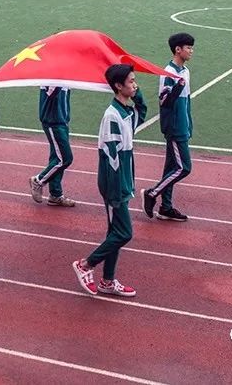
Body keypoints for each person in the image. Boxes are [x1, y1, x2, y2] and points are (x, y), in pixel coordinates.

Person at [72, 63, 146, 297]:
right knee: (123, 233)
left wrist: (138, 92)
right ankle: (85, 265)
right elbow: (111, 156)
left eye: (135, 81)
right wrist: (118, 190)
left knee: (115, 233)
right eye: (131, 81)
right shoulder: (112, 116)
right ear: (117, 86)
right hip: (114, 184)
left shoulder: (127, 113)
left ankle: (107, 281)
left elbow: (141, 111)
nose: (135, 85)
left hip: (123, 182)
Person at [144, 33, 194, 222]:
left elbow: (186, 101)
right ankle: (152, 193)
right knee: (184, 168)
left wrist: (189, 123)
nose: (191, 51)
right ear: (177, 50)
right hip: (174, 126)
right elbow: (164, 101)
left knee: (171, 167)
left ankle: (166, 207)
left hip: (182, 125)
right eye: (188, 48)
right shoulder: (168, 74)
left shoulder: (185, 71)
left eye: (191, 47)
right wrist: (178, 87)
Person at [29, 86, 75, 207]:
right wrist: (61, 79)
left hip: (62, 121)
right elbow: (52, 94)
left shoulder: (64, 76)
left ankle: (55, 194)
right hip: (53, 122)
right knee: (65, 159)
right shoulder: (52, 77)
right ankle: (38, 181)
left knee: (56, 157)